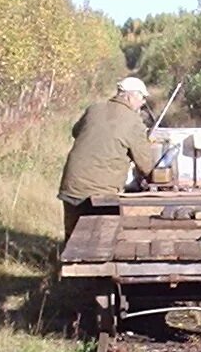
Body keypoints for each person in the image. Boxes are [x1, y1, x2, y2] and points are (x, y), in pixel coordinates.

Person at [58, 76, 160, 239]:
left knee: (72, 237)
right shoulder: (133, 121)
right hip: (100, 193)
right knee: (103, 239)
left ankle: (62, 262)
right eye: (142, 98)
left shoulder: (94, 109)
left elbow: (76, 132)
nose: (142, 103)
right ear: (129, 96)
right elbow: (145, 165)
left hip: (71, 184)